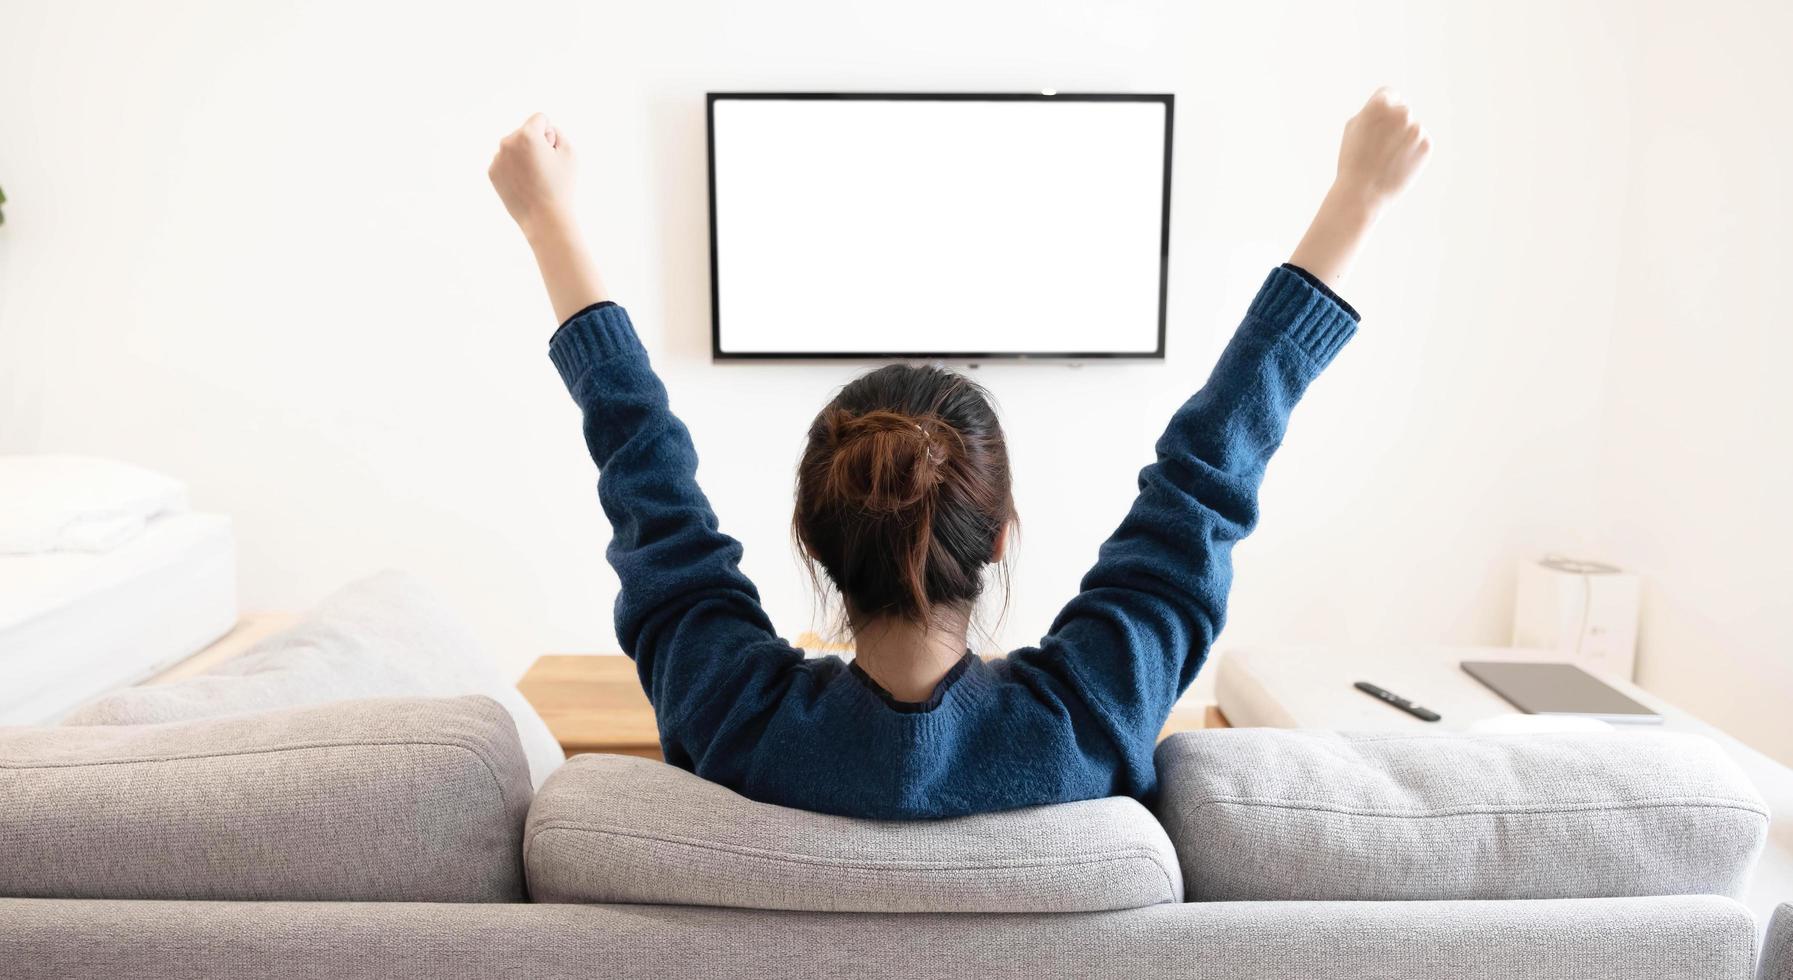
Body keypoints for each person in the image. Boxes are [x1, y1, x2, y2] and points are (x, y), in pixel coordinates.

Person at [488, 89, 1431, 819]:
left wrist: (545, 223)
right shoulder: (1093, 716)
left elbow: (641, 463)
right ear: (996, 537)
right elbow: (1208, 476)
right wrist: (1358, 198)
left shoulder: (729, 716)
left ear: (811, 545)